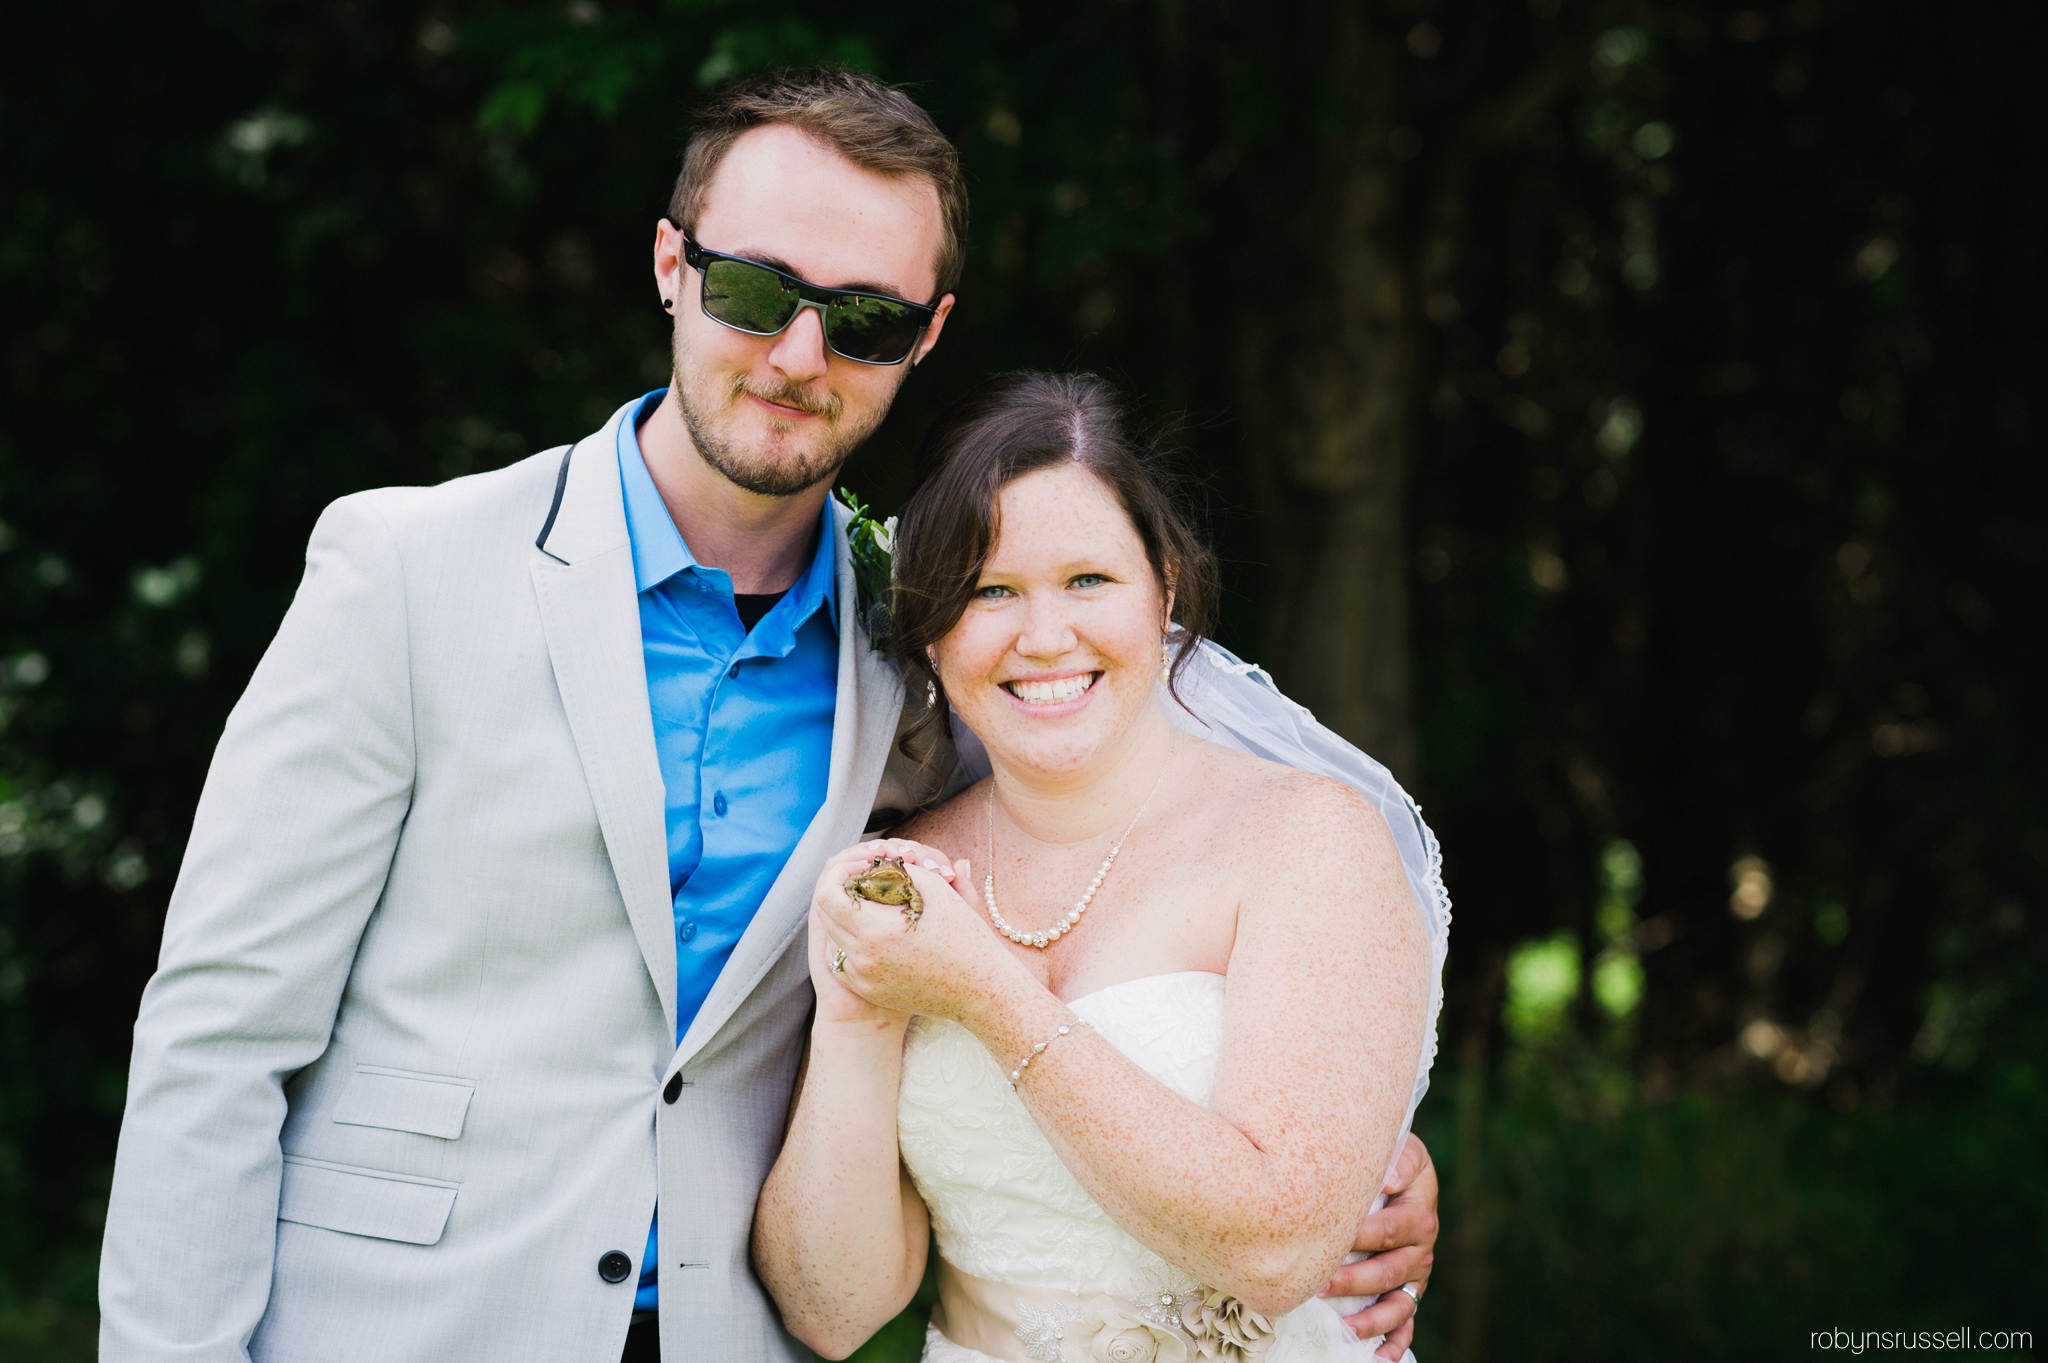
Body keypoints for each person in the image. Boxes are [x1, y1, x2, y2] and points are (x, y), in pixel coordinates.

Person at [97, 69, 1439, 1363]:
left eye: (864, 318)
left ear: (927, 334)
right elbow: (220, 1031)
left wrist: (1355, 1142)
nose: (801, 353)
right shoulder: (408, 570)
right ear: (673, 264)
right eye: (755, 290)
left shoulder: (929, 658)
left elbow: (1120, 874)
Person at [753, 373, 1445, 1363]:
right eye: (988, 590)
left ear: (1163, 583)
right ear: (930, 628)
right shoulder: (901, 881)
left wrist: (986, 993)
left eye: (1087, 580)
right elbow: (832, 1309)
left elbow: (1277, 1245)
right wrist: (857, 1015)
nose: (1043, 637)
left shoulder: (1305, 838)